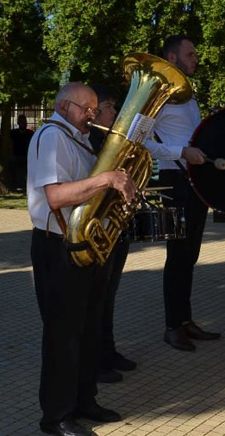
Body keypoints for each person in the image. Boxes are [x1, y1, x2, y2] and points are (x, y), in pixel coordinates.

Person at [27, 82, 137, 436]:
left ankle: (85, 401)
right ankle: (55, 416)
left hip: (85, 244)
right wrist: (106, 178)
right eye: (86, 108)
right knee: (64, 335)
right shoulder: (51, 136)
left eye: (95, 108)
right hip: (56, 245)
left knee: (90, 329)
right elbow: (56, 195)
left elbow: (92, 196)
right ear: (63, 105)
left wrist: (121, 187)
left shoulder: (81, 139)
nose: (93, 114)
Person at [145, 35, 221, 351]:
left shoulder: (187, 96)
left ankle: (184, 320)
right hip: (172, 180)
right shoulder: (157, 95)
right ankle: (171, 326)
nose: (196, 59)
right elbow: (139, 139)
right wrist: (181, 151)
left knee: (189, 255)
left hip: (193, 179)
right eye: (190, 54)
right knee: (176, 256)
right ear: (172, 58)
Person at [86, 85, 138, 383]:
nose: (116, 113)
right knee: (99, 298)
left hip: (114, 227)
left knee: (109, 296)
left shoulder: (108, 139)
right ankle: (97, 360)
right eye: (111, 107)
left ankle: (108, 350)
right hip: (99, 227)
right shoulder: (91, 139)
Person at [11, 115, 34, 191]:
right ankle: (17, 185)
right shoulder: (13, 133)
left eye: (24, 122)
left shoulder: (30, 133)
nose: (23, 124)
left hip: (27, 156)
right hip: (16, 155)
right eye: (21, 122)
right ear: (18, 123)